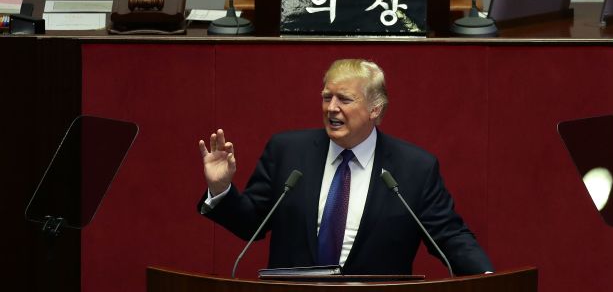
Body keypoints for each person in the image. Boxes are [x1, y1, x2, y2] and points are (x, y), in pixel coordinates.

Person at [197, 59, 493, 275]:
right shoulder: (287, 152)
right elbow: (251, 223)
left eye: (344, 99)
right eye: (327, 97)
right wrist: (221, 188)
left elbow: (449, 237)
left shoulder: (414, 168)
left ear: (375, 109)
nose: (331, 108)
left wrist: (486, 279)